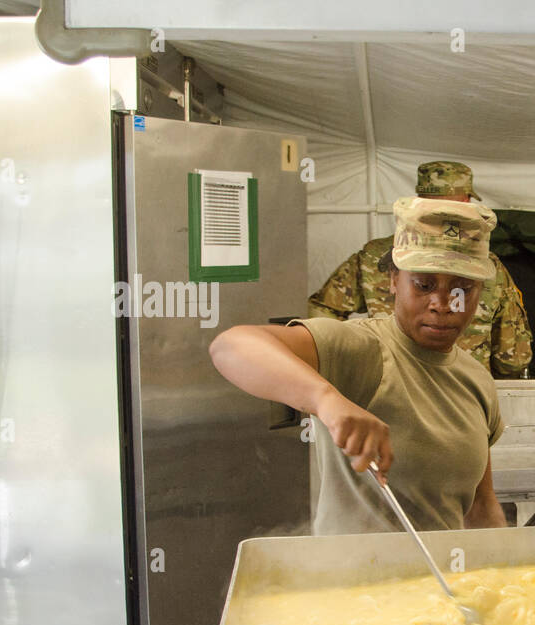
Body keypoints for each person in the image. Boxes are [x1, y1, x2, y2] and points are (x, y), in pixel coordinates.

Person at [210, 196, 507, 535]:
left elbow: (481, 506)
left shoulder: (477, 381)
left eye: (462, 290)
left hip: (443, 581)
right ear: (394, 280)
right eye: (424, 285)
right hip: (354, 581)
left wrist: (503, 573)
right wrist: (326, 400)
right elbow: (230, 346)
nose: (441, 304)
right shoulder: (361, 349)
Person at [308, 161, 533, 378]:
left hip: (389, 385)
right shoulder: (487, 266)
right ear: (466, 201)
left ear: (419, 200)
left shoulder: (377, 255)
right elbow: (513, 358)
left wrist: (351, 359)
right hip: (463, 391)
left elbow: (322, 309)